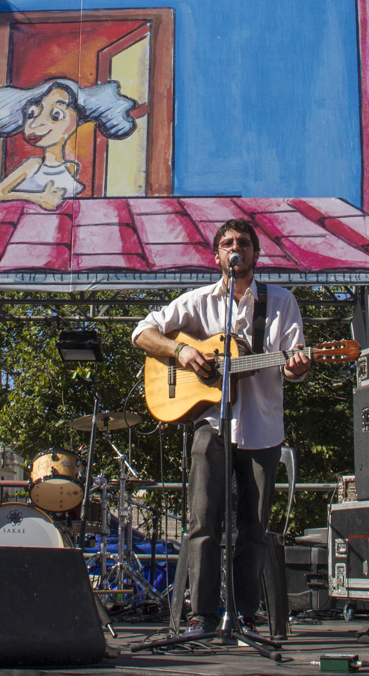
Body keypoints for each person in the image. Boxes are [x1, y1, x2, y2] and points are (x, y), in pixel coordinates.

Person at [132, 219, 310, 639]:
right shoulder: (197, 301)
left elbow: (293, 363)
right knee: (202, 522)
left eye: (243, 243)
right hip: (210, 424)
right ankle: (203, 616)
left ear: (255, 254)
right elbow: (142, 332)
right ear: (216, 256)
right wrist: (182, 350)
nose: (236, 248)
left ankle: (245, 616)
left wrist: (298, 366)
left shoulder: (280, 301)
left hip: (262, 426)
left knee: (254, 527)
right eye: (227, 243)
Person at [0, 77, 136, 209]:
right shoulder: (33, 165)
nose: (35, 124)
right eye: (32, 114)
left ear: (75, 121)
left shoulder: (71, 168)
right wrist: (37, 198)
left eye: (56, 115)